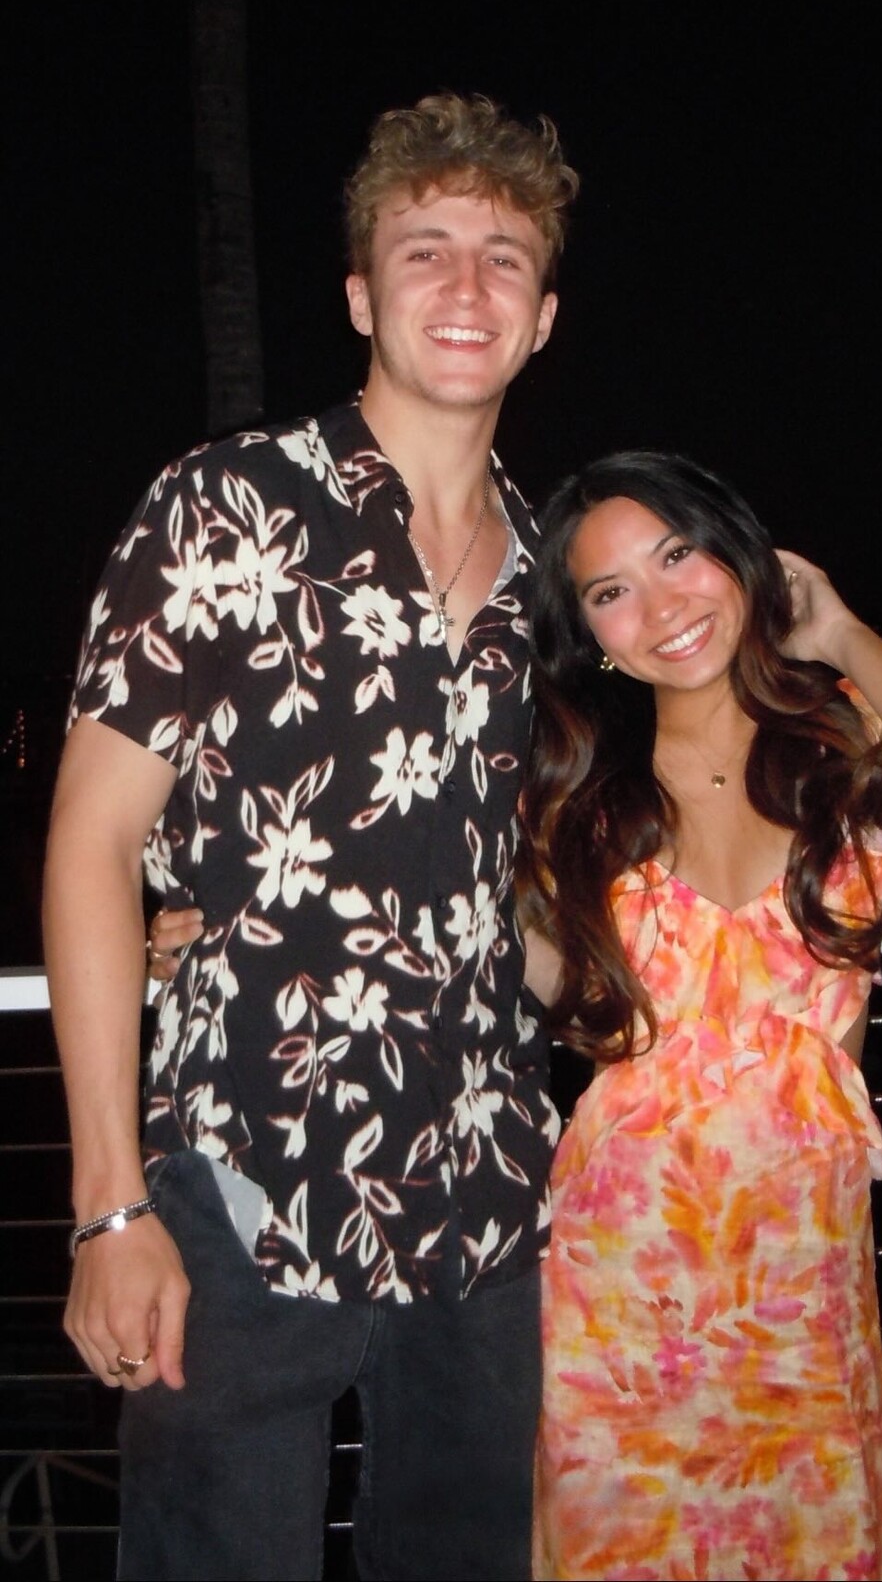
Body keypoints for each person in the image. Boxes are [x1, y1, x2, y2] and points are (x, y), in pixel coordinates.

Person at [41, 92, 579, 1582]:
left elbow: (535, 873)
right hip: (245, 1181)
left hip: (483, 1200)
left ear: (542, 319)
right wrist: (107, 1206)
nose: (465, 285)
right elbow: (89, 847)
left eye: (504, 258)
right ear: (359, 295)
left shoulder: (549, 571)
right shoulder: (227, 509)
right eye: (424, 250)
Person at [514, 451, 882, 1582]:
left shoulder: (842, 748)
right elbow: (460, 942)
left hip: (802, 1285)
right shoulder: (575, 795)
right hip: (620, 1291)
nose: (662, 606)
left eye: (678, 555)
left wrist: (837, 631)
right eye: (612, 592)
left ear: (738, 555)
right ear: (592, 635)